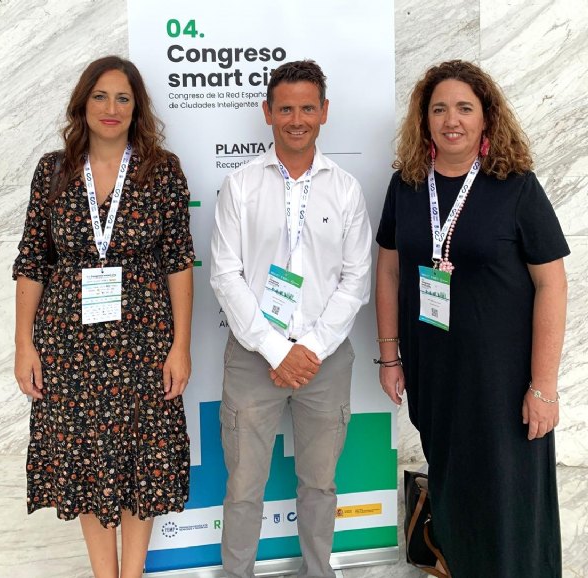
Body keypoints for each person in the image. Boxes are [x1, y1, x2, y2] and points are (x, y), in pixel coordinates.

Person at [375, 60, 568, 578]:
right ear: (424, 119)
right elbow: (389, 271)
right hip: (434, 374)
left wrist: (544, 386)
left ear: (486, 118)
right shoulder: (406, 186)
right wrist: (390, 356)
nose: (451, 120)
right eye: (439, 109)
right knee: (455, 492)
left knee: (509, 498)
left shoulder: (516, 186)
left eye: (464, 108)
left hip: (504, 382)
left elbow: (552, 284)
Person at [13, 55, 194, 578]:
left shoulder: (162, 170)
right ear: (83, 104)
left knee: (142, 460)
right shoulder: (53, 170)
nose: (110, 108)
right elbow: (33, 261)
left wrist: (180, 346)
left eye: (122, 98)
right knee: (86, 460)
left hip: (144, 342)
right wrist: (24, 344)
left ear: (137, 108)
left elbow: (178, 261)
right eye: (100, 96)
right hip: (68, 346)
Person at [210, 60, 372, 578]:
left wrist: (310, 349)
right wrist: (278, 351)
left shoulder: (345, 189)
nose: (296, 119)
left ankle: (318, 571)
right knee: (243, 487)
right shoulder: (240, 185)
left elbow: (356, 280)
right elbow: (225, 275)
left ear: (324, 112)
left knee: (320, 484)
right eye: (285, 109)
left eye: (307, 108)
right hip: (254, 357)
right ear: (267, 112)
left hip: (325, 360)